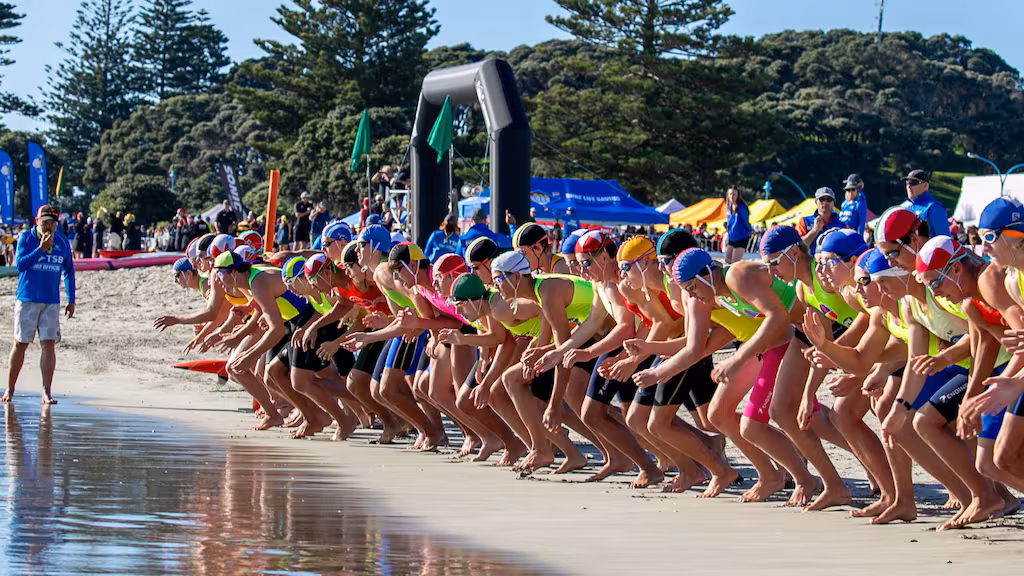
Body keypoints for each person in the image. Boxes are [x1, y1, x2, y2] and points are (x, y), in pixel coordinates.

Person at [3, 205, 76, 405]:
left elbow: (69, 270)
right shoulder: (26, 238)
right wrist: (40, 249)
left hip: (51, 301)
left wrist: (71, 299)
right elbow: (20, 265)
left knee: (49, 344)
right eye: (45, 222)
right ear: (37, 221)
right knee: (20, 344)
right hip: (27, 299)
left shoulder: (62, 241)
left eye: (52, 222)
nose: (49, 226)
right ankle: (10, 389)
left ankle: (46, 392)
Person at [899, 169, 950, 238]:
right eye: (907, 182)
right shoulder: (908, 207)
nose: (909, 186)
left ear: (925, 185)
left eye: (913, 182)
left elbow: (945, 239)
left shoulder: (933, 207)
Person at [796, 187, 845, 254]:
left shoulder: (842, 225)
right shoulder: (804, 222)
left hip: (832, 263)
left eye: (829, 199)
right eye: (822, 199)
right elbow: (798, 247)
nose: (825, 202)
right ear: (816, 202)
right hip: (809, 263)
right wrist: (815, 230)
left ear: (833, 203)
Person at [724, 186, 752, 264]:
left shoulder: (741, 207)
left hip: (741, 237)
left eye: (734, 194)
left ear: (738, 196)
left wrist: (750, 230)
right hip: (732, 237)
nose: (732, 196)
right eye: (730, 194)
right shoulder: (728, 206)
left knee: (734, 262)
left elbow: (745, 222)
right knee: (727, 259)